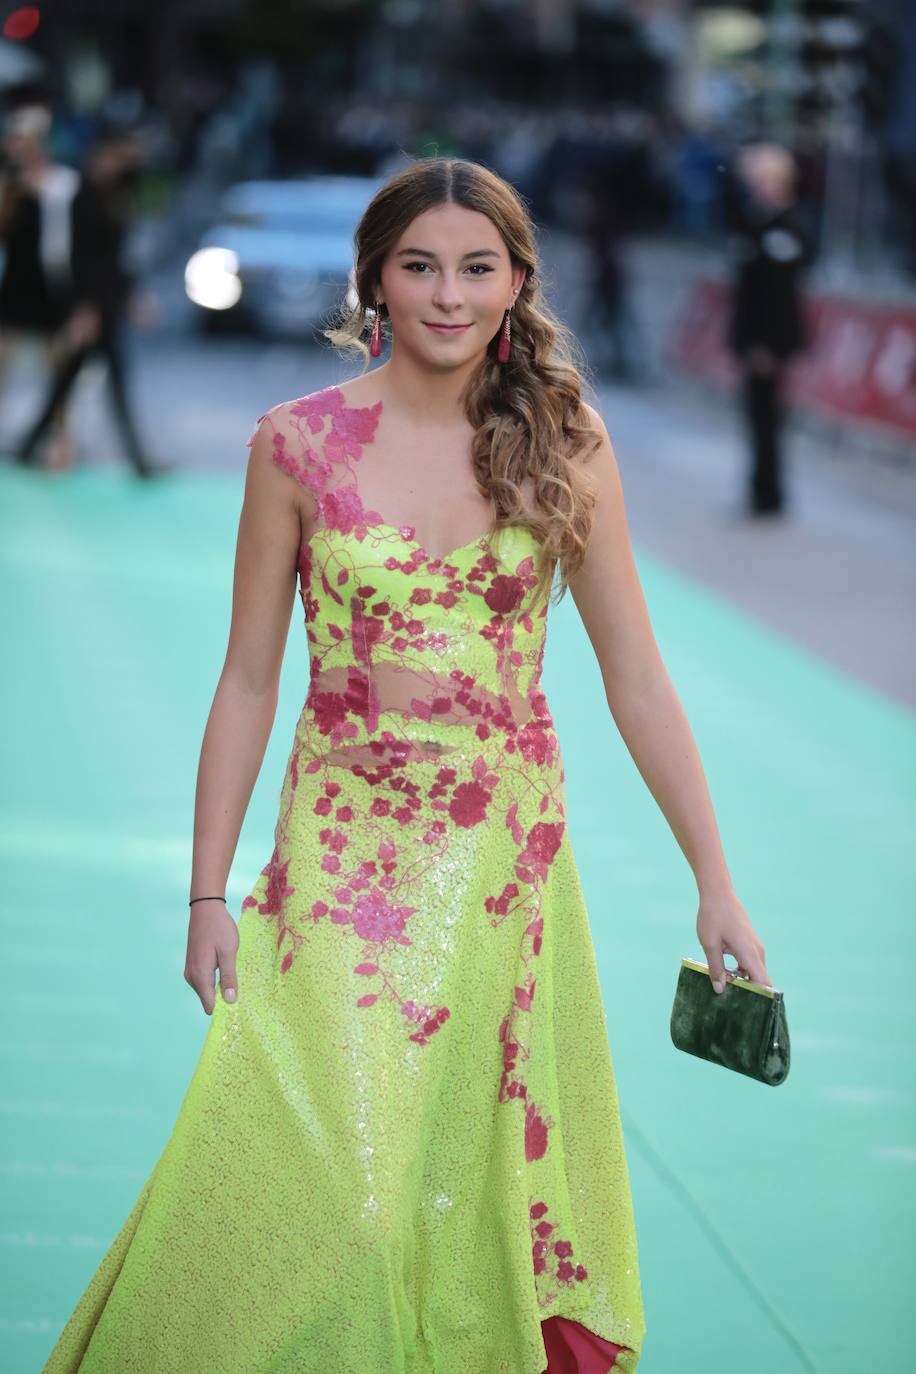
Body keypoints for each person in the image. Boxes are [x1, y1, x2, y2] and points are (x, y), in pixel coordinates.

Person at [41, 158, 772, 1374]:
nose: (446, 294)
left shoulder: (566, 445)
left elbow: (634, 678)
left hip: (502, 873)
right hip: (334, 869)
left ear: (517, 281)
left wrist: (716, 880)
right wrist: (206, 892)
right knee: (340, 1181)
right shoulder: (295, 445)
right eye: (419, 266)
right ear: (374, 278)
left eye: (476, 268)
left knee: (457, 1178)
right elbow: (247, 680)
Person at [15, 123, 164, 477]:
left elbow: (116, 258)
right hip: (92, 304)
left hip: (107, 302)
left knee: (72, 382)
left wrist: (129, 296)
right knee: (97, 382)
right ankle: (139, 461)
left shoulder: (119, 190)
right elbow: (76, 256)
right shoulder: (81, 192)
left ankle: (27, 446)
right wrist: (81, 306)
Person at [724, 141, 813, 516]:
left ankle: (769, 494)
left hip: (769, 340)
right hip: (753, 336)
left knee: (767, 417)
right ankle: (760, 490)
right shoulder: (753, 220)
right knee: (756, 417)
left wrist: (765, 344)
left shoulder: (788, 225)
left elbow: (777, 296)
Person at [0, 103, 79, 467]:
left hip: (51, 285)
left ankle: (61, 443)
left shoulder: (61, 182)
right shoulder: (8, 185)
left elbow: (68, 239)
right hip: (15, 283)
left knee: (57, 370)